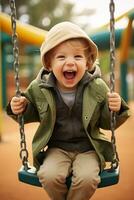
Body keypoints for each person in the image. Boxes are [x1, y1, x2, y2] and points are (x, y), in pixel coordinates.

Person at [7, 22, 130, 200]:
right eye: (61, 57)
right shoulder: (39, 88)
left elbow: (106, 122)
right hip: (57, 148)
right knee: (48, 176)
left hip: (88, 148)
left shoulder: (97, 87)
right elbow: (29, 111)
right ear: (49, 63)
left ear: (88, 62)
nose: (70, 62)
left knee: (87, 179)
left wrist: (115, 109)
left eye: (78, 57)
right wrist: (19, 107)